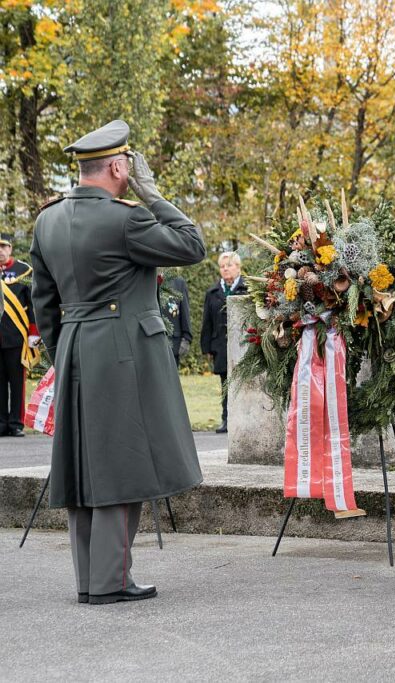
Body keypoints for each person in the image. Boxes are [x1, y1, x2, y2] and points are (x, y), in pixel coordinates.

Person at [30, 119, 207, 605]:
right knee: (122, 461)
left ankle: (91, 578)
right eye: (128, 164)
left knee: (85, 461)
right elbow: (192, 245)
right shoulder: (126, 218)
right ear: (116, 165)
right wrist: (151, 193)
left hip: (74, 347)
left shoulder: (46, 220)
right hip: (124, 352)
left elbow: (43, 303)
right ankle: (111, 580)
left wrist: (61, 352)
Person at [200, 252, 247, 434]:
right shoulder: (212, 293)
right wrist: (206, 347)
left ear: (238, 267)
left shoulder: (247, 288)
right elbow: (207, 322)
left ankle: (242, 420)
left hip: (243, 345)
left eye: (229, 265)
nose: (225, 268)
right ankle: (226, 419)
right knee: (225, 384)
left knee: (243, 383)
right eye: (222, 266)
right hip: (220, 346)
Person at [0, 234, 39, 436]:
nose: (0, 251)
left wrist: (34, 332)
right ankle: (1, 423)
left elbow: (33, 304)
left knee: (17, 384)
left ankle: (15, 423)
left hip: (16, 337)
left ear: (10, 248)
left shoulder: (23, 271)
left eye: (3, 246)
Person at [160, 272, 192, 367]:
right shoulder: (144, 278)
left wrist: (187, 337)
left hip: (173, 342)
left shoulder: (178, 282)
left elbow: (184, 311)